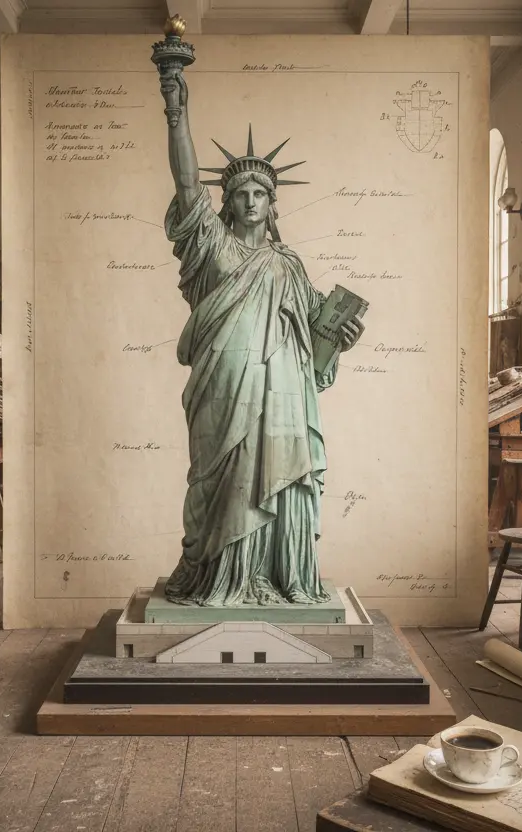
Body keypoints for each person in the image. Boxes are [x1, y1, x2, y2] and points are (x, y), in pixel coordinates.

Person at [158, 67, 364, 608]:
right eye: (241, 192)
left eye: (260, 193)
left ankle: (276, 576)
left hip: (283, 397)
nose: (251, 200)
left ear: (273, 205)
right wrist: (176, 113)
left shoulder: (289, 266)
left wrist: (340, 335)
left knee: (281, 479)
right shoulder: (211, 248)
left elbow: (316, 344)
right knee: (215, 481)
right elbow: (185, 184)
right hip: (223, 389)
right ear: (226, 202)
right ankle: (217, 573)